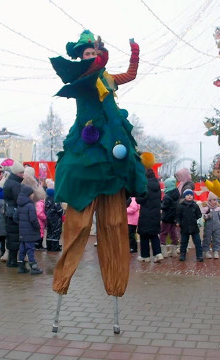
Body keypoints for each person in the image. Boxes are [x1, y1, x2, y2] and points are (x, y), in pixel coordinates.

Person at [50, 30, 147, 297]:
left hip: (112, 141)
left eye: (94, 53)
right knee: (79, 223)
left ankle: (116, 284)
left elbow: (130, 75)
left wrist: (135, 52)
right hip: (87, 139)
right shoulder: (82, 77)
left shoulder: (106, 77)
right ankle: (62, 280)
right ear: (81, 57)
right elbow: (81, 76)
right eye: (87, 54)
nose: (91, 57)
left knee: (114, 224)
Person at [13, 185, 43, 275]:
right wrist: (37, 227)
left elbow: (15, 217)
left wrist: (21, 224)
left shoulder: (20, 205)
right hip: (30, 232)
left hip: (22, 232)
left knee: (22, 249)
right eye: (32, 194)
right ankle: (33, 267)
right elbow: (33, 219)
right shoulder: (30, 205)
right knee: (30, 249)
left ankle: (21, 267)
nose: (33, 195)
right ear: (29, 195)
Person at [136, 169, 164, 263]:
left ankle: (145, 256)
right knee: (154, 235)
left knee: (144, 235)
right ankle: (158, 254)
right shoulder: (157, 185)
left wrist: (137, 195)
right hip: (155, 214)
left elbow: (140, 199)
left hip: (146, 214)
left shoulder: (145, 185)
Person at [3, 161, 25, 267]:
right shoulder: (16, 185)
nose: (22, 175)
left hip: (9, 212)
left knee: (11, 236)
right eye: (21, 173)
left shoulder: (9, 181)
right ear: (16, 173)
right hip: (14, 213)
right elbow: (19, 200)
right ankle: (12, 261)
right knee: (14, 237)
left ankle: (11, 259)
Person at [176, 189, 203, 262]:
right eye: (187, 195)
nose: (189, 196)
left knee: (197, 242)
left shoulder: (195, 206)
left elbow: (199, 215)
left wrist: (199, 221)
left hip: (194, 227)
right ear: (184, 196)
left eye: (191, 195)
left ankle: (199, 255)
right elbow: (178, 216)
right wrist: (178, 222)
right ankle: (182, 255)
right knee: (184, 242)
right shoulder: (180, 206)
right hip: (184, 227)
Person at [201, 191, 220, 259]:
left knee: (217, 239)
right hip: (208, 227)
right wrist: (206, 216)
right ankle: (206, 251)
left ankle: (216, 251)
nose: (215, 201)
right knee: (207, 239)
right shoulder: (206, 208)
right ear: (209, 200)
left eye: (216, 200)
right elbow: (201, 216)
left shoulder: (218, 209)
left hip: (217, 227)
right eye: (214, 200)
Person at [160, 177, 180, 258]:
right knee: (173, 233)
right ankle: (173, 251)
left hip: (166, 218)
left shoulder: (167, 196)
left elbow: (164, 207)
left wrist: (160, 204)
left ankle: (164, 252)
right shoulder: (177, 194)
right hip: (174, 218)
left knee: (163, 233)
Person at [44, 185, 64, 252]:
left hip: (48, 219)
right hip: (56, 219)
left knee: (49, 232)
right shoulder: (56, 200)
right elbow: (59, 210)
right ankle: (55, 247)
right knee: (56, 232)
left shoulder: (46, 200)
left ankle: (49, 246)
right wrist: (62, 212)